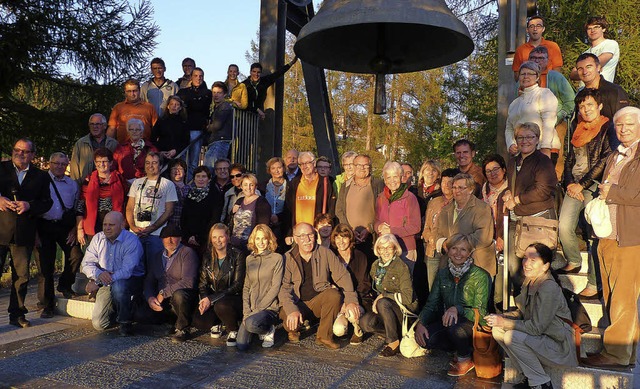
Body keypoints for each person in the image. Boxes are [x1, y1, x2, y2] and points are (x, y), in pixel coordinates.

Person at [581, 107, 640, 370]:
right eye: (619, 125)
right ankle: (624, 353)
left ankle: (616, 356)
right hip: (607, 237)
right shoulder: (615, 155)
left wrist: (612, 192)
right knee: (613, 297)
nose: (623, 129)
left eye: (629, 124)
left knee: (624, 299)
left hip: (630, 238)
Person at [486, 243, 577, 388]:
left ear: (545, 266)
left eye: (533, 260)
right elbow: (522, 313)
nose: (526, 263)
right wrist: (502, 318)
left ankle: (541, 383)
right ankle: (528, 377)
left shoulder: (548, 288)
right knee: (497, 330)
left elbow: (536, 328)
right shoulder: (531, 281)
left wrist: (505, 323)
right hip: (542, 340)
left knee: (512, 336)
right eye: (525, 258)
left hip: (560, 346)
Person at [557, 88, 613, 299]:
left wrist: (583, 183)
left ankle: (593, 283)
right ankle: (573, 260)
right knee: (564, 226)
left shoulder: (608, 128)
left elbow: (605, 159)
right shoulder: (577, 128)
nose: (585, 109)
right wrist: (571, 183)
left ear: (599, 106)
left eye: (589, 105)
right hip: (575, 185)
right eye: (581, 106)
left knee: (592, 234)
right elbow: (570, 160)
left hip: (595, 185)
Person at [415, 234, 491, 377]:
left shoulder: (480, 276)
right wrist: (421, 322)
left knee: (454, 328)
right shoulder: (443, 274)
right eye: (454, 248)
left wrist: (457, 308)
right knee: (424, 338)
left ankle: (465, 358)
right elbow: (432, 302)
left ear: (470, 253)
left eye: (463, 250)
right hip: (450, 321)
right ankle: (457, 349)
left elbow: (481, 311)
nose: (458, 253)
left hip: (471, 324)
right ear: (448, 251)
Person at [279, 222, 360, 349]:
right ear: (295, 239)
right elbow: (284, 288)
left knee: (333, 295)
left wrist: (351, 300)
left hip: (318, 301)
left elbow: (343, 276)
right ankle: (294, 330)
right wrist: (292, 310)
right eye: (302, 236)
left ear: (315, 235)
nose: (307, 240)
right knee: (290, 321)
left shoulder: (325, 253)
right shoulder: (287, 258)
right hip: (297, 302)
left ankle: (324, 336)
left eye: (310, 235)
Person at [0, 139, 53, 328]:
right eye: (17, 150)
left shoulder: (41, 176)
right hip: (1, 229)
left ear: (32, 154)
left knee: (21, 277)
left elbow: (47, 202)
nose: (20, 154)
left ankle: (17, 314)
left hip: (24, 232)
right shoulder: (2, 168)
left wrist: (29, 205)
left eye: (25, 151)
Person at [502, 122, 558, 296]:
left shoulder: (543, 162)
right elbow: (515, 186)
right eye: (520, 137)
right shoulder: (513, 162)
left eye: (529, 137)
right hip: (517, 220)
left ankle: (541, 309)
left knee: (536, 270)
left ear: (537, 139)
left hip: (538, 221)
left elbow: (544, 189)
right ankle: (523, 308)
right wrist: (507, 193)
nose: (524, 141)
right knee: (514, 269)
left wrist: (517, 200)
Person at [82, 211, 144, 335]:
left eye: (111, 225)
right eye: (105, 225)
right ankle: (119, 310)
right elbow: (85, 264)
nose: (107, 228)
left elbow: (126, 272)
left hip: (130, 280)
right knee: (99, 324)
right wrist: (98, 274)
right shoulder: (98, 238)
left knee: (119, 286)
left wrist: (98, 282)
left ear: (122, 225)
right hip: (106, 281)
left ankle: (125, 323)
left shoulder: (131, 240)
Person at [36, 153, 82, 316]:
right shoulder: (40, 181)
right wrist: (35, 232)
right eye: (57, 163)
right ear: (50, 163)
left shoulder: (72, 184)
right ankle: (46, 304)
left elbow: (77, 208)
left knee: (76, 255)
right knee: (45, 266)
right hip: (43, 225)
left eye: (63, 164)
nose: (60, 167)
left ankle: (65, 284)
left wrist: (74, 229)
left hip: (64, 226)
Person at [360, 234, 417, 357]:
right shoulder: (375, 265)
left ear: (395, 249)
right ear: (378, 250)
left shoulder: (401, 267)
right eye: (382, 248)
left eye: (389, 248)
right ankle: (395, 333)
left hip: (403, 309)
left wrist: (383, 296)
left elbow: (408, 297)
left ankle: (393, 342)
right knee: (365, 323)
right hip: (385, 309)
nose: (385, 251)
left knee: (383, 302)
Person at [143, 225, 199, 343]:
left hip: (182, 297)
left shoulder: (187, 253)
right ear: (161, 239)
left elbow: (188, 282)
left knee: (179, 295)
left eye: (173, 237)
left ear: (180, 238)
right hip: (163, 301)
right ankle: (170, 321)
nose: (170, 240)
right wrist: (150, 297)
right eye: (166, 237)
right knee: (139, 313)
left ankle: (183, 328)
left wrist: (164, 293)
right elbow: (149, 280)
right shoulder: (157, 256)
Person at [194, 223, 246, 346]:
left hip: (233, 297)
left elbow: (237, 284)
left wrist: (212, 299)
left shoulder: (238, 255)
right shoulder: (207, 255)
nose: (218, 241)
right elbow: (202, 283)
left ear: (228, 237)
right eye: (214, 237)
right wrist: (205, 298)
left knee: (221, 306)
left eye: (221, 237)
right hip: (213, 298)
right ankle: (217, 322)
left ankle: (233, 329)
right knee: (198, 321)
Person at [528, 46, 576, 179]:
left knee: (556, 155)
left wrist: (557, 117)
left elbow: (570, 101)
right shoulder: (525, 79)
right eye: (533, 58)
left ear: (547, 61)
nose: (537, 61)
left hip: (556, 122)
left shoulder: (556, 77)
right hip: (531, 125)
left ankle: (556, 181)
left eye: (541, 58)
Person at [436, 173, 496, 277]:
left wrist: (454, 244)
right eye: (454, 187)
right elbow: (437, 232)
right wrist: (442, 242)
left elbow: (484, 237)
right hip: (451, 268)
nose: (456, 191)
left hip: (477, 267)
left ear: (470, 189)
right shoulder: (446, 210)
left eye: (460, 188)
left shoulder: (482, 208)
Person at [125, 152, 177, 270]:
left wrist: (152, 227)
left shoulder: (168, 185)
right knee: (135, 269)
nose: (150, 166)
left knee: (154, 269)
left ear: (160, 165)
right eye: (147, 163)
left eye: (154, 163)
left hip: (156, 234)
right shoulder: (137, 183)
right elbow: (129, 207)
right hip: (135, 233)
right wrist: (132, 226)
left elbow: (169, 211)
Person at [237, 224, 283, 350]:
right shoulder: (249, 259)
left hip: (268, 308)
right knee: (241, 345)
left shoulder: (277, 258)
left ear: (269, 240)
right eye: (258, 238)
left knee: (251, 324)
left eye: (264, 238)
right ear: (253, 240)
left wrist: (259, 308)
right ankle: (257, 328)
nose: (261, 242)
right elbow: (246, 287)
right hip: (251, 309)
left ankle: (268, 329)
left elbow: (276, 286)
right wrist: (246, 311)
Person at [506, 61, 559, 160]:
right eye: (522, 74)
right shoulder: (514, 103)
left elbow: (548, 123)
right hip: (521, 152)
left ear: (537, 77)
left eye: (530, 73)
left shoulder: (544, 94)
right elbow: (509, 127)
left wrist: (545, 148)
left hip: (542, 150)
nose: (526, 76)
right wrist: (511, 144)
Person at [375, 161, 421, 273]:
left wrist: (392, 231)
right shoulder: (380, 198)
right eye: (388, 177)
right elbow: (376, 220)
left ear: (401, 177)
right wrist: (379, 227)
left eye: (395, 177)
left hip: (405, 249)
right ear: (385, 180)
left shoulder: (410, 198)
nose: (392, 181)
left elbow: (415, 227)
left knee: (404, 285)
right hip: (386, 250)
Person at [76, 148, 128, 246]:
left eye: (104, 161)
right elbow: (81, 205)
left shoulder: (119, 179)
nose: (101, 164)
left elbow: (126, 202)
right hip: (93, 225)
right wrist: (79, 229)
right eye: (98, 162)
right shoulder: (88, 180)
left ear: (111, 163)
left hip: (115, 224)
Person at [335, 154, 384, 258]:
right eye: (359, 165)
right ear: (354, 166)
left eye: (366, 165)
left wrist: (369, 229)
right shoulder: (346, 185)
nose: (362, 168)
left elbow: (384, 211)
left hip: (372, 236)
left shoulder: (378, 184)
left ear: (370, 167)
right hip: (350, 236)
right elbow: (339, 210)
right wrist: (349, 229)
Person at [330, 224, 371, 345]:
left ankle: (358, 330)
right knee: (338, 330)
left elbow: (365, 284)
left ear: (350, 239)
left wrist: (350, 300)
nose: (340, 241)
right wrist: (341, 301)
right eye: (337, 238)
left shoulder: (360, 256)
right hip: (338, 301)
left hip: (357, 299)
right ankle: (345, 326)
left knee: (352, 314)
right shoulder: (331, 257)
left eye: (344, 237)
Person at [284, 151, 336, 237]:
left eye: (307, 163)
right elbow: (288, 210)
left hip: (318, 232)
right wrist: (289, 233)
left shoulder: (325, 182)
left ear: (314, 163)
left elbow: (331, 207)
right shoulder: (294, 183)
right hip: (298, 233)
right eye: (301, 164)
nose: (304, 166)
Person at [422, 168, 458, 290]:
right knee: (433, 286)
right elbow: (426, 227)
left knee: (449, 286)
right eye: (443, 182)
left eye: (450, 183)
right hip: (432, 250)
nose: (446, 185)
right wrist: (430, 238)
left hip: (449, 250)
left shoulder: (459, 203)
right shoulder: (434, 202)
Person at [573, 53, 629, 124]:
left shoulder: (614, 91)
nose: (585, 72)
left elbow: (623, 121)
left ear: (598, 67)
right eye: (580, 69)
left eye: (589, 67)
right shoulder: (580, 96)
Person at [177, 67, 212, 180]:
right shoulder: (183, 92)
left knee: (194, 160)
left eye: (201, 76)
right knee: (181, 159)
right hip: (183, 130)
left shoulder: (207, 93)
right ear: (191, 77)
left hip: (198, 130)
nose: (198, 78)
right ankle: (180, 182)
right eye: (196, 76)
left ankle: (190, 182)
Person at [181, 166, 223, 252]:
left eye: (204, 176)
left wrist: (199, 237)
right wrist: (188, 236)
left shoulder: (215, 195)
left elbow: (214, 218)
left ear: (209, 179)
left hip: (205, 240)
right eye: (198, 176)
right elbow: (184, 217)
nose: (200, 179)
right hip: (188, 239)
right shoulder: (190, 194)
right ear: (194, 178)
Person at [69, 113, 118, 184]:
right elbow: (74, 167)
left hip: (108, 186)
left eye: (98, 124)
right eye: (92, 124)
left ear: (104, 126)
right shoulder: (80, 143)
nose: (95, 127)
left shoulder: (114, 143)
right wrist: (76, 186)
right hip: (86, 186)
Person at [107, 78, 158, 144]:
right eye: (129, 91)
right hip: (123, 149)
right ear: (125, 92)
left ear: (139, 91)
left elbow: (156, 129)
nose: (132, 94)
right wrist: (107, 145)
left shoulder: (149, 107)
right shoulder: (118, 107)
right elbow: (112, 129)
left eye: (135, 91)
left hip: (145, 148)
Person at [512, 15, 563, 80]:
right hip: (528, 88)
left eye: (538, 26)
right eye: (531, 26)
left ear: (543, 29)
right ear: (527, 30)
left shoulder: (553, 47)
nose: (535, 29)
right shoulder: (521, 50)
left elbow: (557, 73)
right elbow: (517, 76)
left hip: (548, 88)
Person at [570, 16, 619, 83]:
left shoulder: (610, 44)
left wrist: (581, 69)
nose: (592, 30)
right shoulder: (585, 53)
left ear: (603, 29)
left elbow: (599, 62)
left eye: (596, 27)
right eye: (589, 28)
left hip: (601, 90)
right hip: (583, 91)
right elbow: (572, 75)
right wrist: (590, 67)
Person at [230, 173, 270, 251]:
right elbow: (231, 220)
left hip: (250, 246)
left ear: (256, 186)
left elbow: (263, 227)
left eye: (251, 185)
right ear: (241, 186)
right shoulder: (239, 201)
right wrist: (232, 212)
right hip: (234, 244)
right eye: (245, 184)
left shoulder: (262, 202)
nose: (248, 187)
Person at [113, 118, 159, 182]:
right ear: (128, 132)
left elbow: (155, 168)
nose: (134, 132)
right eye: (131, 129)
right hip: (125, 183)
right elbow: (113, 167)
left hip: (145, 182)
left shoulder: (150, 148)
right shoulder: (120, 148)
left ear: (141, 132)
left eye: (137, 129)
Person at [150, 95, 189, 160]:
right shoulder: (161, 121)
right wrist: (160, 152)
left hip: (178, 155)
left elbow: (186, 141)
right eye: (171, 104)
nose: (174, 106)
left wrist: (176, 150)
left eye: (177, 104)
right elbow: (153, 138)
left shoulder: (184, 122)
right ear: (168, 106)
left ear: (180, 107)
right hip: (162, 154)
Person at [204, 81, 234, 167]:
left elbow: (217, 125)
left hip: (220, 141)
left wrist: (206, 127)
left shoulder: (224, 106)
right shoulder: (217, 107)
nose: (216, 95)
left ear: (224, 94)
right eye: (214, 92)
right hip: (217, 141)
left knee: (210, 168)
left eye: (219, 93)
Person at [261, 157, 287, 249]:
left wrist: (278, 217)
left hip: (284, 226)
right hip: (267, 225)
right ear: (269, 170)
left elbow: (291, 208)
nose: (277, 170)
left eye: (279, 167)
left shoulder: (290, 185)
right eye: (273, 168)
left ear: (283, 168)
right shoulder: (263, 186)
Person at [166, 159, 190, 229]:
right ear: (170, 172)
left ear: (185, 172)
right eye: (174, 168)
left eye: (180, 168)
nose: (177, 171)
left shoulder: (190, 189)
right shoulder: (166, 187)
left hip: (185, 226)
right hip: (169, 226)